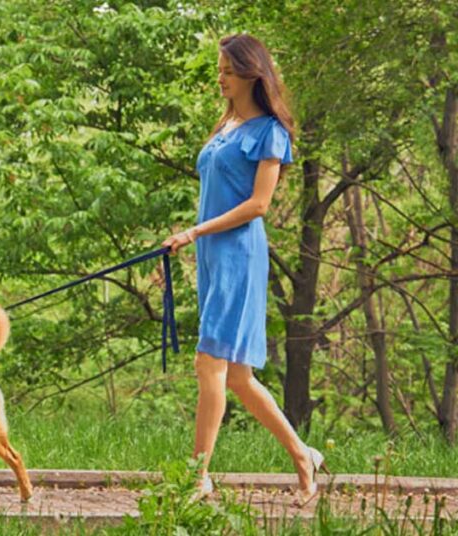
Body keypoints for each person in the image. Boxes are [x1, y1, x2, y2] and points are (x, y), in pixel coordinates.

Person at [161, 33, 327, 507]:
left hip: (237, 254)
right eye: (220, 70)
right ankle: (302, 455)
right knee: (237, 377)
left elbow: (258, 205)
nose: (221, 78)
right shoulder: (229, 124)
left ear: (253, 75)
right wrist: (195, 239)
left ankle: (198, 477)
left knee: (208, 363)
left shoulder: (269, 132)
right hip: (212, 255)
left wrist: (194, 231)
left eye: (229, 72)